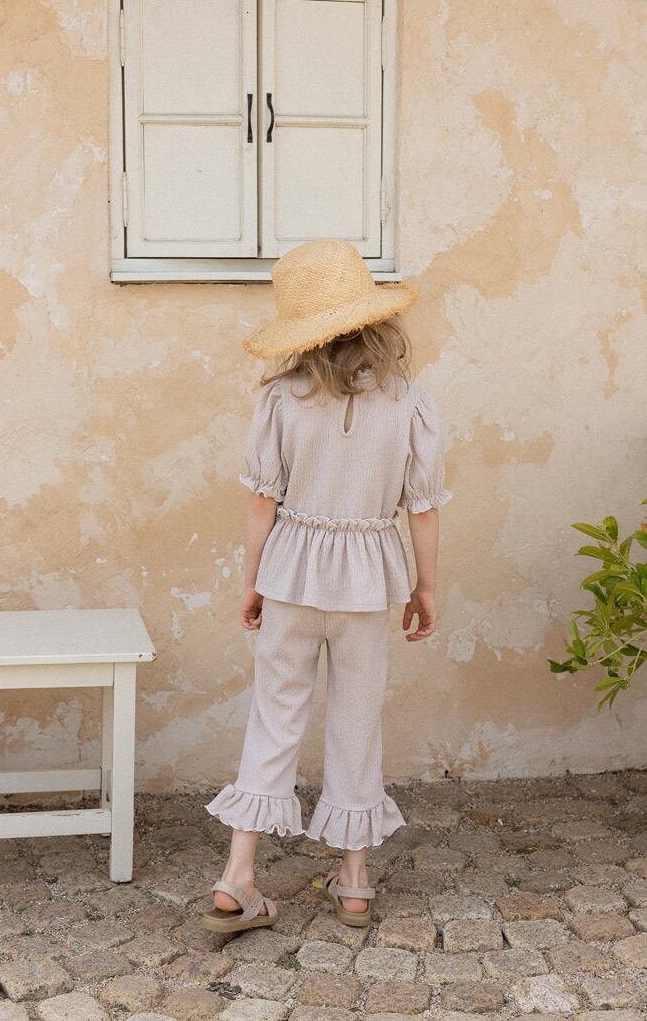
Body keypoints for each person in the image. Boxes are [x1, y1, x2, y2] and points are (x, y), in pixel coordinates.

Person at [202, 239, 452, 933]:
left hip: (290, 573)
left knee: (274, 714)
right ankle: (354, 881)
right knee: (356, 720)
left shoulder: (281, 399)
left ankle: (237, 876)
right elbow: (423, 507)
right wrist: (426, 587)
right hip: (368, 582)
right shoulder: (410, 403)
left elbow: (263, 501)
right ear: (374, 322)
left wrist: (253, 582)